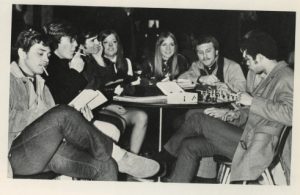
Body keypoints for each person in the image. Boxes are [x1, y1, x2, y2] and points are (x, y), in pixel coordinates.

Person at [8, 28, 159, 180]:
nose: (46, 59)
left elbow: (49, 125)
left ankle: (116, 159)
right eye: (40, 53)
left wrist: (77, 121)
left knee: (107, 167)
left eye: (48, 55)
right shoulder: (8, 81)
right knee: (63, 113)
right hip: (13, 156)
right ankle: (120, 155)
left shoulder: (42, 84)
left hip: (44, 150)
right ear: (22, 53)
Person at [163, 31, 293, 183]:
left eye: (248, 60)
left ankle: (162, 159)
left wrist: (252, 101)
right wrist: (228, 113)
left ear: (259, 57)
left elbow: (291, 115)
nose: (247, 64)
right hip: (246, 135)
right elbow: (255, 111)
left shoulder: (286, 77)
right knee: (189, 145)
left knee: (197, 118)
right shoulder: (266, 75)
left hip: (258, 145)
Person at [81, 29, 148, 155]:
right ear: (100, 45)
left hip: (121, 106)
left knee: (142, 116)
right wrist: (110, 106)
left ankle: (133, 157)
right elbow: (101, 91)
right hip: (101, 108)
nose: (111, 45)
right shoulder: (92, 63)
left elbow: (128, 88)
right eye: (106, 42)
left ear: (118, 44)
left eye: (114, 41)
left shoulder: (125, 62)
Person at [179, 35, 246, 92]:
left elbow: (242, 90)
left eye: (208, 51)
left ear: (216, 51)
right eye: (200, 52)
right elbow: (180, 81)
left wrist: (227, 88)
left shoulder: (232, 67)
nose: (204, 56)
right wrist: (200, 78)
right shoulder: (195, 66)